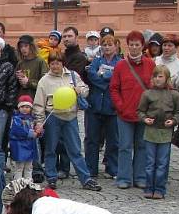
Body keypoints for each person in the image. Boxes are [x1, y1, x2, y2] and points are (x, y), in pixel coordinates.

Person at [33, 50, 101, 191]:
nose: (55, 66)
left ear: (62, 63)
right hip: (53, 117)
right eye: (52, 63)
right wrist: (39, 122)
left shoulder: (73, 76)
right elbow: (39, 104)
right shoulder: (44, 81)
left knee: (75, 150)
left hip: (70, 116)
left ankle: (85, 178)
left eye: (57, 63)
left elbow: (86, 89)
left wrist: (79, 90)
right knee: (50, 149)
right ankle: (51, 178)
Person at [109, 30, 156, 190]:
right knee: (124, 146)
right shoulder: (121, 65)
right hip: (125, 114)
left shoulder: (150, 64)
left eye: (137, 45)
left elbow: (155, 86)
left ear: (142, 46)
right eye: (131, 45)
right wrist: (120, 106)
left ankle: (140, 177)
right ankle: (124, 177)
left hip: (144, 114)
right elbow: (114, 88)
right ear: (127, 46)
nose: (134, 48)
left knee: (142, 146)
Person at [137, 65, 179, 199]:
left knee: (162, 162)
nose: (158, 79)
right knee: (150, 162)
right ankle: (149, 187)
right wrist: (145, 119)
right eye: (155, 76)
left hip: (165, 133)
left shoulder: (174, 95)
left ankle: (160, 188)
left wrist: (174, 121)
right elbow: (140, 111)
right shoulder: (147, 94)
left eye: (160, 76)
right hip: (151, 131)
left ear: (167, 78)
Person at [85, 34, 122, 179]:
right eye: (104, 45)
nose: (107, 47)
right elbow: (91, 76)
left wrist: (104, 77)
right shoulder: (96, 61)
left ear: (116, 46)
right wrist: (106, 79)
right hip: (94, 105)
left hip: (112, 107)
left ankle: (112, 168)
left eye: (110, 44)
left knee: (113, 140)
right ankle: (90, 168)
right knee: (92, 139)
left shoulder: (120, 63)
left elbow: (116, 81)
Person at [9, 96, 37, 181]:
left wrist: (39, 132)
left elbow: (36, 130)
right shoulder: (16, 119)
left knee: (29, 166)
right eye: (23, 107)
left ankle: (28, 182)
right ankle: (18, 182)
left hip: (30, 146)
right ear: (19, 107)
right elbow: (18, 130)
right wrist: (32, 133)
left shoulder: (32, 119)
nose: (25, 109)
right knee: (19, 167)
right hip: (19, 146)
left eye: (27, 107)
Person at [15, 35, 48, 101]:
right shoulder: (20, 63)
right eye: (21, 46)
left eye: (26, 46)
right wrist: (17, 77)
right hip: (22, 100)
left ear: (32, 46)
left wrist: (28, 82)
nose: (23, 49)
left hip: (36, 99)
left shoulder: (40, 61)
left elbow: (45, 83)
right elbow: (16, 85)